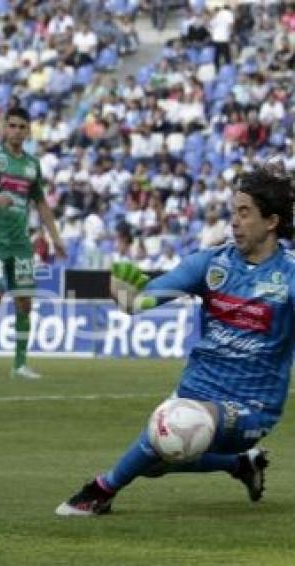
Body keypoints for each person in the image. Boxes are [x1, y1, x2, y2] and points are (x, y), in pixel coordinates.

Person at [56, 168, 293, 516]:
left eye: (245, 213)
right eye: (233, 213)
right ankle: (240, 465)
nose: (234, 223)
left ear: (271, 221)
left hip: (252, 405)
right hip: (196, 388)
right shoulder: (212, 263)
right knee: (156, 460)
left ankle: (100, 491)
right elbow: (146, 299)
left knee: (173, 427)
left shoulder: (288, 275)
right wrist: (128, 299)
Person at [0, 107, 66, 380]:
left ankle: (20, 364)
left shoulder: (32, 165)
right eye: (13, 126)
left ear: (28, 130)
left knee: (24, 303)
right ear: (4, 129)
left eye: (22, 127)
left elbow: (41, 203)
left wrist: (55, 238)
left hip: (21, 244)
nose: (18, 131)